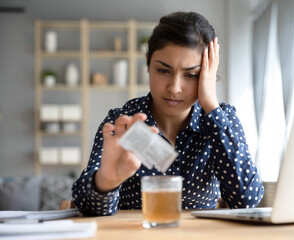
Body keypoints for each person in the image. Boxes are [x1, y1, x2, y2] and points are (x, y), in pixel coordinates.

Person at [72, 11, 264, 216]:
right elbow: (88, 207)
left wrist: (210, 104)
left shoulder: (222, 118)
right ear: (148, 63)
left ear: (207, 75)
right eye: (163, 70)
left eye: (191, 75)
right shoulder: (124, 123)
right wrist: (105, 183)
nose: (174, 88)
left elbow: (246, 200)